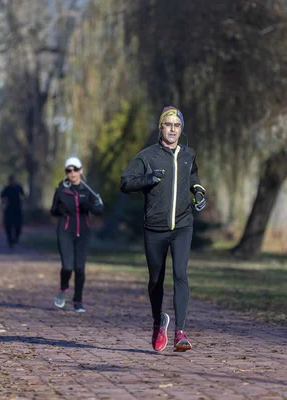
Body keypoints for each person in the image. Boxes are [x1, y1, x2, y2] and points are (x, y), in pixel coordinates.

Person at [120, 106, 206, 352]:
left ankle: (181, 333)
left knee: (181, 274)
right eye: (168, 125)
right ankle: (159, 323)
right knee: (156, 280)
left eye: (176, 125)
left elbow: (193, 177)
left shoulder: (188, 154)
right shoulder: (147, 156)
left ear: (181, 129)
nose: (172, 129)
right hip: (155, 228)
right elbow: (125, 183)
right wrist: (148, 179)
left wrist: (198, 191)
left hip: (182, 225)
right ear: (161, 127)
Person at [51, 157, 104, 312]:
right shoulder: (61, 189)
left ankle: (78, 301)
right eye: (69, 170)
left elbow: (100, 209)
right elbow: (53, 210)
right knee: (67, 267)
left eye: (75, 169)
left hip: (84, 233)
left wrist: (89, 205)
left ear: (81, 170)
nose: (72, 173)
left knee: (80, 268)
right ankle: (63, 289)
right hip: (65, 232)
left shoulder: (88, 189)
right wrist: (58, 210)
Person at [0, 175, 25, 249]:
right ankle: (10, 240)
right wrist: (3, 205)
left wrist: (22, 202)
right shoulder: (6, 189)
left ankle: (16, 238)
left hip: (17, 209)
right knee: (8, 226)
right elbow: (2, 197)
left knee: (18, 225)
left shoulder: (18, 188)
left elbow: (23, 196)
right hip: (9, 210)